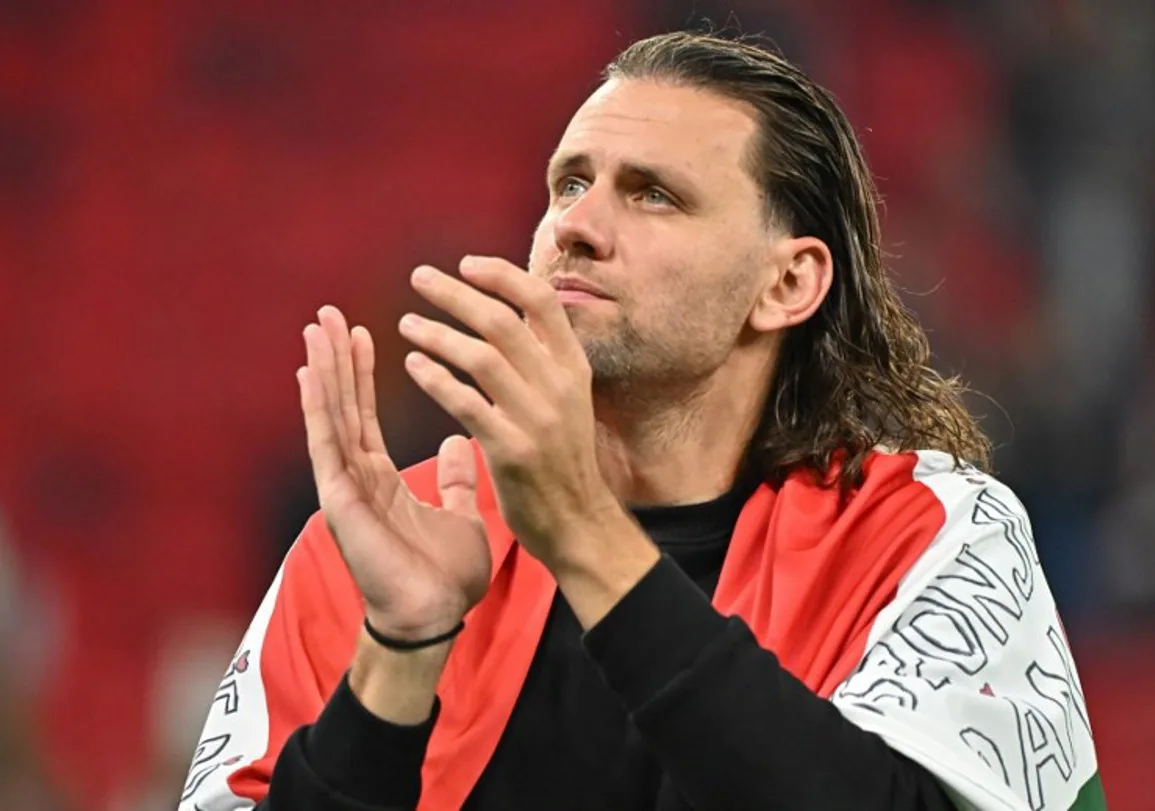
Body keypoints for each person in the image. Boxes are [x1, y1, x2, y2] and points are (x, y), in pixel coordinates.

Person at [181, 31, 1104, 811]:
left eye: (653, 193)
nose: (577, 224)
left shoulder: (926, 534)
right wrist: (399, 653)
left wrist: (584, 535)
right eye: (568, 183)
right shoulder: (392, 541)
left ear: (788, 282)